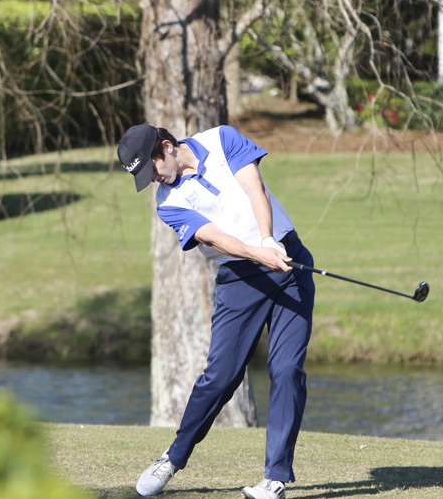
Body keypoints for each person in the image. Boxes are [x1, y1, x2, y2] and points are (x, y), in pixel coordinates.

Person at [116, 123, 315, 499]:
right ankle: (172, 458)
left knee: (287, 369)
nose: (153, 179)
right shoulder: (168, 203)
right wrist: (258, 252)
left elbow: (254, 187)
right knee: (221, 378)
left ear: (167, 147)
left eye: (151, 168)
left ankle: (274, 479)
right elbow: (215, 238)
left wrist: (269, 241)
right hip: (241, 279)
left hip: (289, 260)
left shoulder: (222, 139)